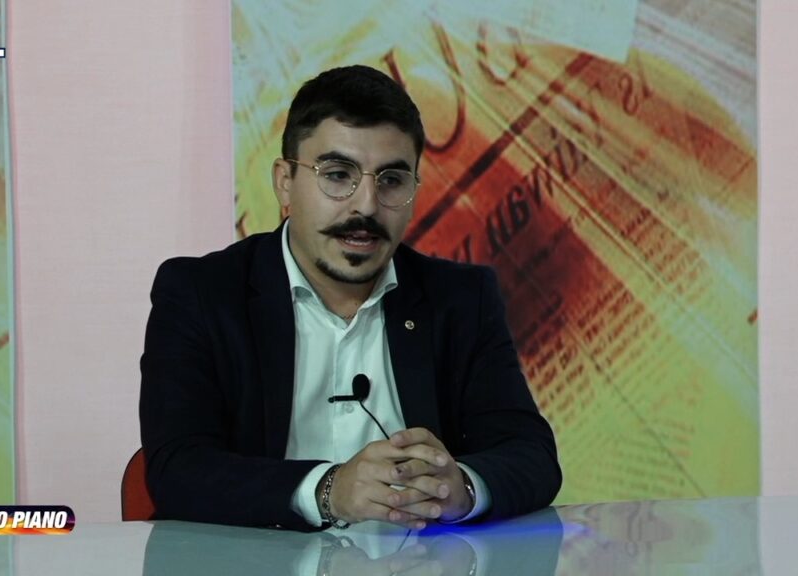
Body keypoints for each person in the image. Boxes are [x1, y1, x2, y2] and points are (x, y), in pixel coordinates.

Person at [139, 65, 560, 532]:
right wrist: (328, 490)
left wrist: (459, 486)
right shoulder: (201, 293)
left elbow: (531, 454)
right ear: (284, 181)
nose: (366, 205)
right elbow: (178, 468)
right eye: (338, 175)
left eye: (392, 180)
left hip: (417, 559)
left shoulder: (460, 300)